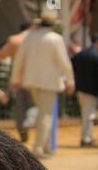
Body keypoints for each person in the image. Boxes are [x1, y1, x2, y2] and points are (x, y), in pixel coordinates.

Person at [11, 10, 75, 158]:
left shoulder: (30, 37)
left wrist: (15, 79)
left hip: (31, 81)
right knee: (45, 115)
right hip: (49, 82)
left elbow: (20, 59)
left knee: (42, 113)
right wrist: (70, 80)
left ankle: (45, 146)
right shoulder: (55, 39)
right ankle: (38, 147)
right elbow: (64, 62)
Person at [0, 18, 40, 142]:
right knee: (35, 105)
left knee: (20, 107)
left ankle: (22, 131)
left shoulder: (14, 40)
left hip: (18, 79)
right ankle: (28, 123)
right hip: (35, 79)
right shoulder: (38, 40)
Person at [69, 33, 98, 146]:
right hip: (92, 91)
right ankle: (86, 139)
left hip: (80, 89)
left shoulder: (81, 54)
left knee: (86, 114)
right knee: (89, 116)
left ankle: (89, 137)